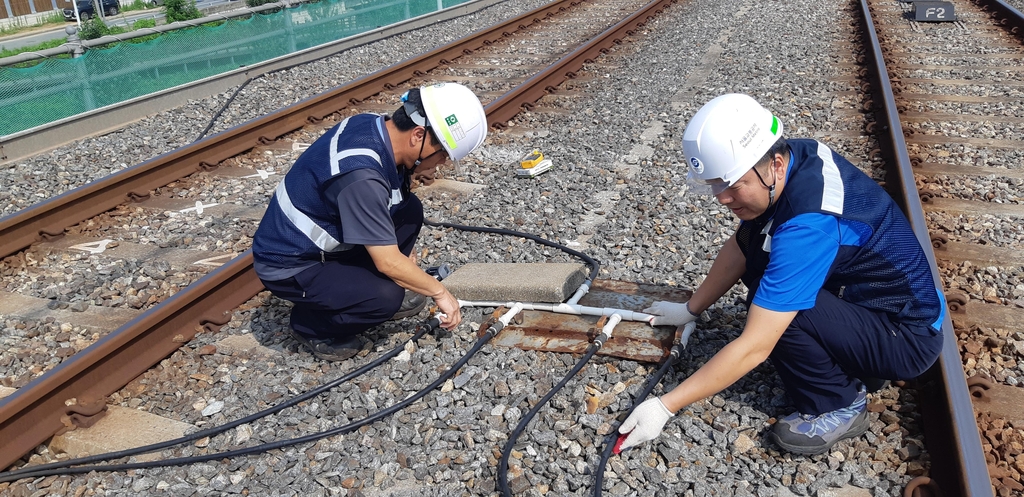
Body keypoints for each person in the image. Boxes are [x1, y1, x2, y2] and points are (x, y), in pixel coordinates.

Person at [619, 93, 946, 455]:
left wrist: (665, 406)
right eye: (713, 184)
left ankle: (839, 404)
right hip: (877, 307)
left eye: (730, 183)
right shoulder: (795, 160)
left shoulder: (809, 224)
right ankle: (852, 357)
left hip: (907, 338)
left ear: (774, 164)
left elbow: (755, 346)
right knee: (763, 270)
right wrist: (691, 308)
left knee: (779, 313)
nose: (722, 198)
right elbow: (741, 247)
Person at [252, 83, 487, 361]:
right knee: (383, 297)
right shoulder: (361, 176)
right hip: (291, 263)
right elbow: (387, 261)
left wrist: (406, 267)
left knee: (409, 210)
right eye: (443, 155)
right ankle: (310, 325)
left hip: (326, 242)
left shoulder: (371, 126)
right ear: (418, 135)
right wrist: (440, 292)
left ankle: (360, 287)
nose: (442, 164)